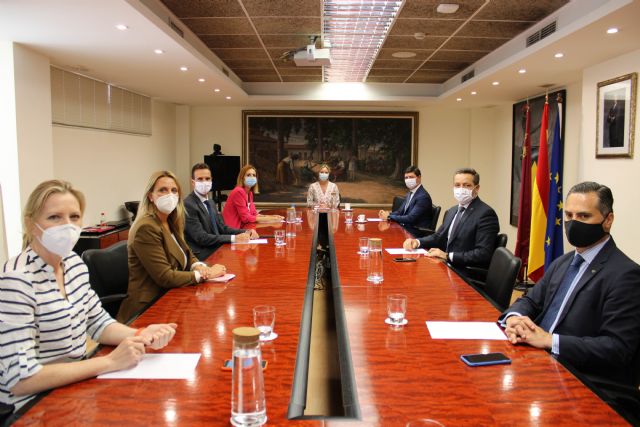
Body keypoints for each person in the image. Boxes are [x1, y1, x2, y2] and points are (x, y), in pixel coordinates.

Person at [0, 180, 177, 411]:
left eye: (74, 217)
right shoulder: (16, 280)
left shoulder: (73, 264)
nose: (67, 225)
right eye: (54, 217)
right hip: (32, 404)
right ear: (30, 224)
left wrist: (141, 334)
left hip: (74, 388)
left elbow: (98, 323)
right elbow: (20, 379)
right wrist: (109, 362)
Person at [500, 182, 640, 423]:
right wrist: (515, 319)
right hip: (539, 364)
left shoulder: (626, 275)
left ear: (608, 220)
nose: (573, 223)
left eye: (584, 216)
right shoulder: (563, 262)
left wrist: (549, 340)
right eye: (569, 215)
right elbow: (531, 300)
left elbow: (617, 348)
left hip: (584, 382)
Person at [117, 171, 225, 322]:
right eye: (163, 190)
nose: (170, 195)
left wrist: (199, 266)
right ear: (150, 196)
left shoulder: (170, 221)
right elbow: (165, 277)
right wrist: (205, 275)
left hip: (172, 297)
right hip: (148, 308)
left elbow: (187, 253)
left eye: (174, 190)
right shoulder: (146, 227)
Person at [403, 168, 499, 268]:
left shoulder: (486, 214)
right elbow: (438, 237)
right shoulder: (452, 211)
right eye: (457, 185)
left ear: (477, 188)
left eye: (467, 185)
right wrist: (417, 242)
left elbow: (483, 253)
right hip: (445, 265)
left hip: (464, 270)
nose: (461, 189)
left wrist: (448, 256)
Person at [184, 163, 258, 261]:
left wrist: (246, 231)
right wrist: (234, 238)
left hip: (218, 250)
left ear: (211, 180)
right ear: (193, 182)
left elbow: (222, 228)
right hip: (202, 256)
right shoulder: (188, 204)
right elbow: (201, 238)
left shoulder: (210, 202)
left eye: (207, 179)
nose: (204, 182)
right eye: (200, 179)